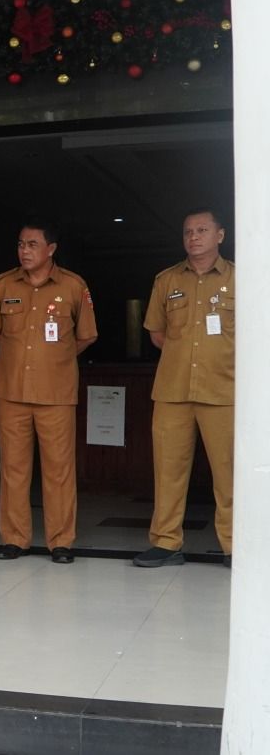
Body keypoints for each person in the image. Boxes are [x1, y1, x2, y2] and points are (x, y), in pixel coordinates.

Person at [0, 220, 97, 563]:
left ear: (51, 249)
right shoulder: (3, 284)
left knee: (58, 470)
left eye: (32, 244)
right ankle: (15, 539)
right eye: (20, 244)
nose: (24, 251)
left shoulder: (73, 286)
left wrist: (56, 357)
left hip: (56, 394)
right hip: (11, 392)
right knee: (13, 469)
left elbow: (86, 335)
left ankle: (60, 541)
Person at [134, 208, 235, 568]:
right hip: (173, 390)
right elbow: (157, 334)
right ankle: (165, 542)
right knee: (168, 470)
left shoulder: (241, 279)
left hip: (223, 391)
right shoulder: (167, 280)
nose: (193, 237)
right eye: (188, 231)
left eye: (202, 230)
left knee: (229, 473)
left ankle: (234, 545)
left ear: (220, 235)